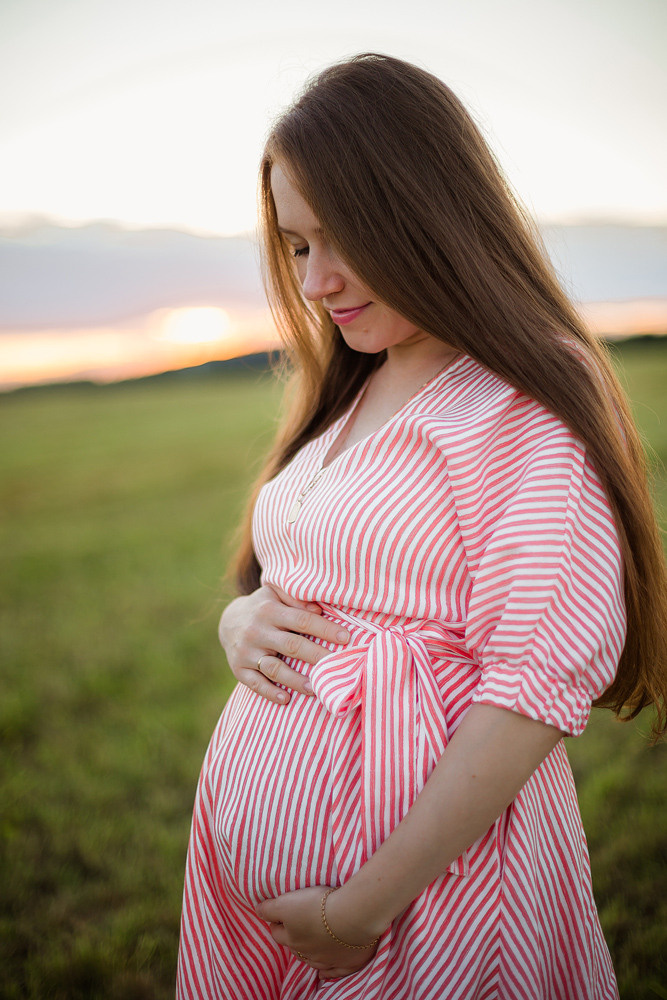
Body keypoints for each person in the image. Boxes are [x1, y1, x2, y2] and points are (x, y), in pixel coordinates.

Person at [176, 53, 667, 1000]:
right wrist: (241, 622)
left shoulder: (522, 398)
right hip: (267, 912)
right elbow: (297, 576)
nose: (314, 282)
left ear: (424, 212)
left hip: (422, 907)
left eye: (339, 239)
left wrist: (360, 907)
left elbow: (532, 687)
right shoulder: (352, 379)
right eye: (296, 246)